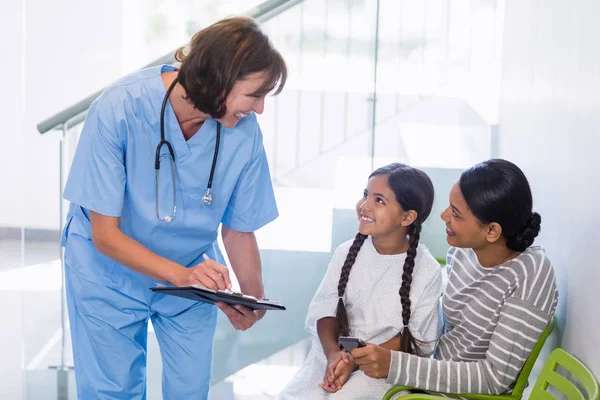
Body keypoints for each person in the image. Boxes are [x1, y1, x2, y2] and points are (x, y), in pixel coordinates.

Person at [60, 17, 287, 399]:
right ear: (218, 79)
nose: (261, 108)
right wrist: (181, 276)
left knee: (190, 389)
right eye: (255, 94)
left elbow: (237, 227)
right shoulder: (121, 106)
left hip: (192, 273)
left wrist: (250, 299)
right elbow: (105, 234)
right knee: (112, 391)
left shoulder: (243, 131)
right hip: (108, 273)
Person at [351, 159, 559, 397]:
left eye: (456, 214)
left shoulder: (530, 276)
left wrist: (395, 365)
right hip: (427, 379)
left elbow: (494, 379)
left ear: (491, 231)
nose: (443, 215)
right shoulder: (463, 252)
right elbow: (443, 331)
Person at [278, 163, 443, 400]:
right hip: (332, 359)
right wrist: (335, 354)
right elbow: (324, 310)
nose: (364, 205)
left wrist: (355, 360)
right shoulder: (345, 253)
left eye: (379, 200)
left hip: (382, 369)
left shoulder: (427, 270)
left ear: (407, 217)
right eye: (365, 194)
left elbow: (418, 338)